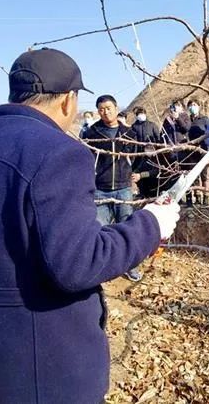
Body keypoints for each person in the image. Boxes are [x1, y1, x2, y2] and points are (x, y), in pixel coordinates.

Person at [0, 48, 180, 404]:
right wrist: (151, 224)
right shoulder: (59, 152)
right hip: (44, 362)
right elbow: (79, 264)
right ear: (68, 101)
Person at [85, 94, 144, 282]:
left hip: (123, 187)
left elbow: (138, 157)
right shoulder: (92, 134)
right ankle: (103, 267)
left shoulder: (129, 133)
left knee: (127, 227)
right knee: (100, 229)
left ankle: (131, 266)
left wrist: (131, 173)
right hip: (100, 188)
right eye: (101, 109)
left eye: (108, 108)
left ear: (116, 108)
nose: (105, 112)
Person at [185, 99, 209, 207]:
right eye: (190, 105)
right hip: (191, 152)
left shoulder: (204, 119)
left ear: (199, 106)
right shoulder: (187, 120)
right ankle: (197, 196)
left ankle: (206, 197)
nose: (193, 107)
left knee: (204, 175)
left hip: (203, 150)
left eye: (195, 105)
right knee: (194, 176)